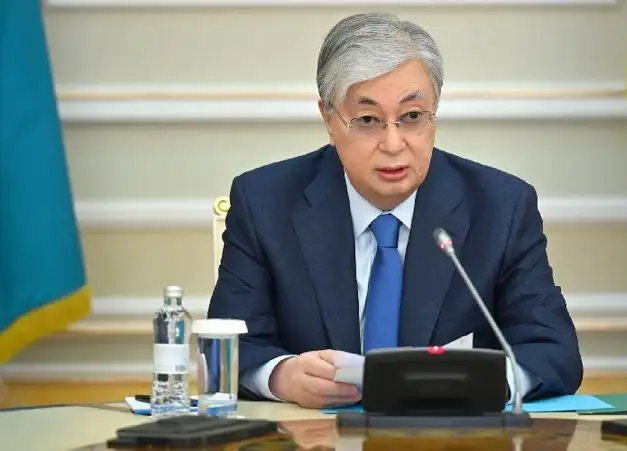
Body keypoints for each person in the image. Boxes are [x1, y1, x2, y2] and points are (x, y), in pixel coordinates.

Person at [207, 12, 583, 409]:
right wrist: (281, 376)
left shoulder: (501, 206)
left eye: (412, 116)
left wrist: (480, 382)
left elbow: (553, 351)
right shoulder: (265, 202)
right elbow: (229, 345)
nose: (393, 144)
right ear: (329, 119)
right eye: (368, 119)